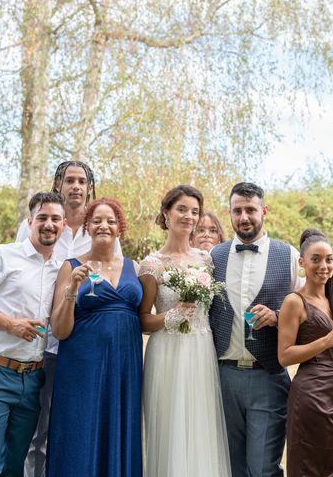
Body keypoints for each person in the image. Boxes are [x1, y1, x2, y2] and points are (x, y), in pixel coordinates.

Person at [19, 161, 121, 477]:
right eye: (69, 180)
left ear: (90, 187)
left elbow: (114, 278)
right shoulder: (43, 223)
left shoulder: (102, 227)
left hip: (86, 348)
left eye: (82, 181)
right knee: (41, 429)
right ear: (58, 184)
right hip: (46, 344)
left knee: (79, 423)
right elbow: (22, 267)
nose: (76, 186)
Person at [0, 192, 65, 477]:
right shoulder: (3, 255)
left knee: (15, 464)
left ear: (64, 225)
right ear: (30, 222)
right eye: (42, 218)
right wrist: (10, 324)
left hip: (33, 379)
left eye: (55, 218)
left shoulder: (62, 269)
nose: (48, 224)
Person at [209, 182, 302, 477]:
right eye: (237, 211)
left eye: (250, 210)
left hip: (268, 376)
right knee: (232, 466)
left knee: (263, 468)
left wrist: (277, 317)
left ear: (264, 211)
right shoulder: (214, 256)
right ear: (230, 213)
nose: (244, 217)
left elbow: (306, 309)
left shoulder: (288, 255)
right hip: (223, 376)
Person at [46, 198, 142, 476]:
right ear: (87, 226)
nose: (104, 225)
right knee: (81, 427)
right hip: (82, 364)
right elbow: (60, 329)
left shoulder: (134, 268)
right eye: (97, 220)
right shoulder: (71, 266)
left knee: (119, 425)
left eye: (111, 221)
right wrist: (72, 288)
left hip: (125, 366)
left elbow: (143, 317)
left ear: (119, 228)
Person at [139, 185, 231, 477]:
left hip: (201, 350)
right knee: (169, 425)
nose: (189, 217)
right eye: (182, 210)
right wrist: (171, 316)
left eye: (194, 212)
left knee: (200, 424)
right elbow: (142, 320)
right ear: (166, 214)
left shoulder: (206, 261)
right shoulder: (151, 264)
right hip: (167, 352)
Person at [278, 229, 333, 477]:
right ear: (302, 262)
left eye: (329, 259)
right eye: (315, 259)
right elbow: (285, 356)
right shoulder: (294, 302)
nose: (323, 265)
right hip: (312, 398)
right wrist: (325, 341)